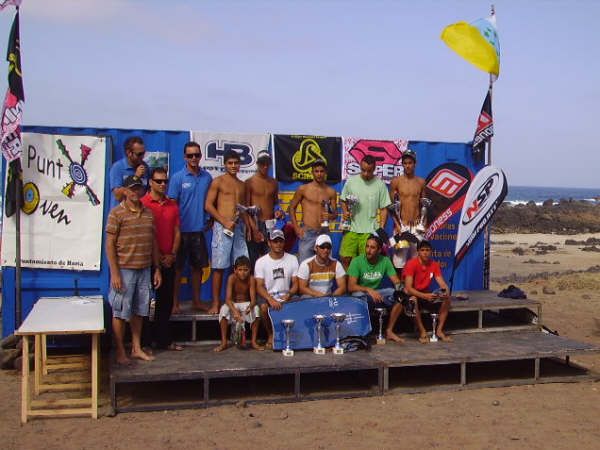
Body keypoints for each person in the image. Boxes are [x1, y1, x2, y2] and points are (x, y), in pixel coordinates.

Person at [106, 175, 162, 365]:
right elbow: (109, 245)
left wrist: (157, 269)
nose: (135, 192)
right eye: (131, 188)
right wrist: (115, 273)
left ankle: (136, 348)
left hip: (144, 269)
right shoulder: (116, 213)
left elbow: (153, 242)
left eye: (138, 188)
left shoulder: (148, 213)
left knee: (139, 311)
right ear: (124, 190)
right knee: (120, 312)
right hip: (124, 270)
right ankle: (121, 351)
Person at [140, 167, 183, 351]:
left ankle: (164, 340)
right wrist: (157, 259)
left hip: (168, 259)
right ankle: (145, 342)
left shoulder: (172, 205)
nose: (163, 184)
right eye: (159, 181)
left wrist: (172, 254)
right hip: (148, 261)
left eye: (165, 181)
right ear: (150, 182)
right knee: (145, 304)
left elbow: (177, 231)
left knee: (165, 303)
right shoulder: (143, 203)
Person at [167, 142, 212, 313]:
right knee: (177, 269)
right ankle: (174, 303)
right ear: (185, 157)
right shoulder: (178, 178)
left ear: (200, 156)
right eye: (190, 155)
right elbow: (172, 204)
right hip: (181, 232)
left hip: (198, 231)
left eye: (197, 155)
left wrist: (210, 219)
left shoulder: (207, 177)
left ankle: (197, 301)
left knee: (197, 268)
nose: (194, 158)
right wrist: (174, 227)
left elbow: (210, 202)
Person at [205, 150, 250, 315]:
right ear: (224, 164)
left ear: (240, 165)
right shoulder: (218, 182)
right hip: (221, 228)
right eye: (230, 163)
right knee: (219, 267)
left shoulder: (242, 185)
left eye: (236, 163)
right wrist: (224, 221)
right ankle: (216, 303)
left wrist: (250, 228)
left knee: (241, 266)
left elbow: (243, 210)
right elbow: (208, 205)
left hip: (238, 229)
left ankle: (237, 301)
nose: (233, 166)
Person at [347, 235, 404, 342]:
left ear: (378, 250)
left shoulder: (385, 261)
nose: (368, 250)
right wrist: (368, 290)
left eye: (372, 248)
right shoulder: (357, 261)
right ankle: (363, 333)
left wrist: (402, 290)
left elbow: (396, 281)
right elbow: (351, 287)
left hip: (377, 293)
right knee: (359, 298)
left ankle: (389, 331)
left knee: (398, 296)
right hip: (361, 294)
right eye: (367, 246)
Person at [339, 155, 391, 269]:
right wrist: (345, 211)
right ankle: (349, 286)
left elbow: (383, 209)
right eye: (363, 170)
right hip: (351, 228)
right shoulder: (351, 182)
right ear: (360, 167)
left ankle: (360, 286)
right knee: (345, 258)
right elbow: (343, 200)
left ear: (374, 169)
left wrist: (381, 228)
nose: (366, 173)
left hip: (370, 231)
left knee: (366, 261)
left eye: (369, 171)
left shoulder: (380, 185)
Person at [255, 229, 299, 349]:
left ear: (284, 242)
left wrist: (289, 294)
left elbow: (296, 283)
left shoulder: (292, 259)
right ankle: (271, 334)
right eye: (275, 241)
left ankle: (293, 336)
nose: (278, 244)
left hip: (286, 295)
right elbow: (259, 286)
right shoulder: (261, 262)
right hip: (268, 295)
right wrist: (270, 299)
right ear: (269, 243)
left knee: (300, 303)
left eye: (280, 241)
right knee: (263, 308)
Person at [402, 240, 452, 343]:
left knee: (447, 299)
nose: (425, 252)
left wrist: (445, 291)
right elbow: (408, 288)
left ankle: (439, 330)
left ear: (431, 252)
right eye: (422, 250)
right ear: (418, 252)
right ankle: (422, 331)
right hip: (413, 295)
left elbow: (442, 283)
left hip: (426, 295)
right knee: (413, 300)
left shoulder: (434, 265)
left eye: (427, 250)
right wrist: (424, 296)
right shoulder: (411, 264)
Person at [288, 159, 337, 264]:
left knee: (325, 266)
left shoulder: (331, 192)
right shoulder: (303, 189)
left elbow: (335, 214)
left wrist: (330, 216)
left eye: (321, 171)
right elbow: (291, 208)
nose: (319, 174)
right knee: (305, 266)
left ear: (325, 172)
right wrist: (296, 228)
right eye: (316, 171)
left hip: (324, 232)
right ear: (312, 172)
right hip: (308, 233)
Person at [245, 150, 286, 268]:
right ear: (257, 164)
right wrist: (254, 229)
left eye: (267, 163)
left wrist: (278, 211)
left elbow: (275, 203)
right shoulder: (249, 182)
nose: (265, 166)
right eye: (262, 163)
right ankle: (254, 286)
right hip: (256, 225)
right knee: (253, 262)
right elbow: (247, 209)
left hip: (271, 225)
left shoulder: (273, 183)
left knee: (271, 261)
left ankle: (268, 287)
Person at [388, 149, 425, 276]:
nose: (407, 165)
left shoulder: (421, 182)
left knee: (416, 259)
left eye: (410, 163)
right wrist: (397, 225)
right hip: (401, 225)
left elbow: (424, 205)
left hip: (416, 226)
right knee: (399, 260)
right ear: (402, 164)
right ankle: (400, 290)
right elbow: (392, 207)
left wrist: (423, 224)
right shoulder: (396, 182)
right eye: (405, 163)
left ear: (415, 164)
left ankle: (413, 289)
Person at [214, 256, 263, 352]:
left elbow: (253, 300)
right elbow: (228, 299)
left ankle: (253, 341)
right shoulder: (231, 278)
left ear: (250, 270)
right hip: (233, 303)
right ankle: (224, 342)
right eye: (240, 270)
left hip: (246, 303)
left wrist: (250, 307)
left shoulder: (251, 279)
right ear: (235, 270)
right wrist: (235, 312)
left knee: (257, 310)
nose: (243, 272)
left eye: (245, 270)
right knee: (224, 310)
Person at [109, 136, 150, 208]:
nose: (142, 157)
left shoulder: (145, 167)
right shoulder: (118, 168)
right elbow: (118, 196)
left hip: (138, 214)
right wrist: (135, 178)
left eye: (144, 153)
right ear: (129, 153)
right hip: (121, 215)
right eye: (139, 154)